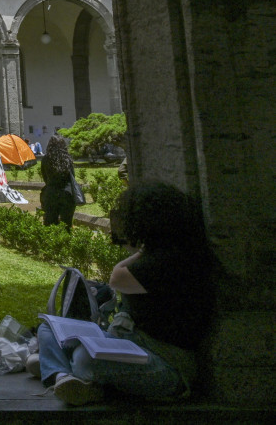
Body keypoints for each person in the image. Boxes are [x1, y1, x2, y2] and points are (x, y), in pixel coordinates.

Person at [33, 182, 216, 405]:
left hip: (166, 366)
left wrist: (143, 247)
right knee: (48, 327)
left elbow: (117, 277)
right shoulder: (165, 253)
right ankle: (61, 375)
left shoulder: (171, 261)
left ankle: (64, 369)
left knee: (85, 357)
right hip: (127, 346)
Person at [40, 134, 77, 228]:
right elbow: (72, 177)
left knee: (50, 224)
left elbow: (45, 177)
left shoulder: (45, 159)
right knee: (67, 224)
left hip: (51, 193)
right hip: (67, 193)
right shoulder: (68, 159)